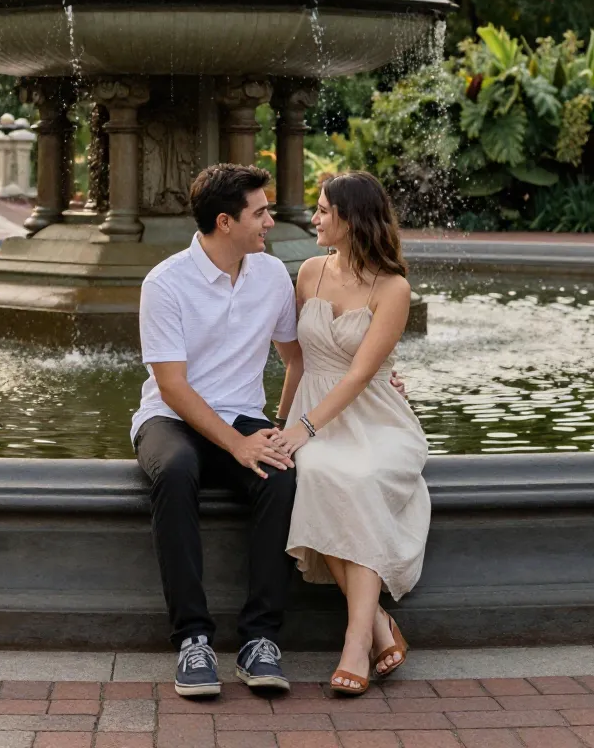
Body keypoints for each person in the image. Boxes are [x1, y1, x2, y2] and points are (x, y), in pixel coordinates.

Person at [131, 163, 300, 698]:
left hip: (244, 414)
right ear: (225, 222)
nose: (270, 221)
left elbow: (298, 356)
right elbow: (173, 387)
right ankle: (192, 640)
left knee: (282, 474)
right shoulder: (165, 283)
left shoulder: (272, 275)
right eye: (260, 213)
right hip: (169, 418)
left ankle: (260, 640)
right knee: (176, 469)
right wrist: (238, 444)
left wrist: (283, 426)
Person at [273, 171, 431, 697]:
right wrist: (282, 420)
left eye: (323, 210)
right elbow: (297, 361)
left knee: (360, 478)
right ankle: (377, 627)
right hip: (313, 410)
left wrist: (306, 427)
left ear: (351, 219)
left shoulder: (394, 288)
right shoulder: (309, 272)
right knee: (318, 472)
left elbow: (362, 374)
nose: (313, 218)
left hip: (375, 417)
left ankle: (354, 642)